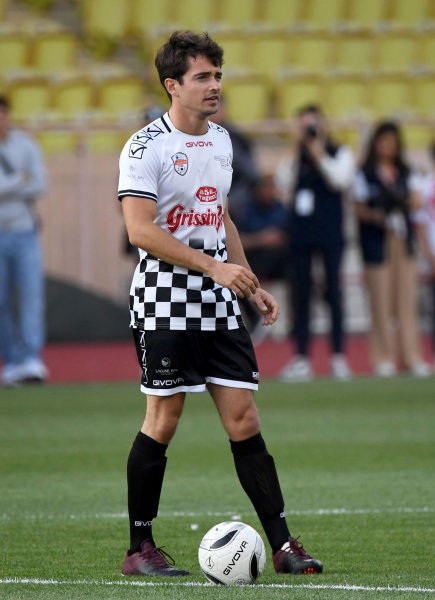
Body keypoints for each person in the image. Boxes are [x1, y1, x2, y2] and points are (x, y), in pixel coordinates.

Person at [118, 31, 323, 577]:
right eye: (203, 77)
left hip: (218, 302)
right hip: (164, 301)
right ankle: (139, 549)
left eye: (217, 76)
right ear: (172, 86)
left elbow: (222, 219)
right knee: (163, 418)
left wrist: (250, 283)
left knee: (244, 416)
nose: (214, 86)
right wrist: (212, 266)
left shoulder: (223, 141)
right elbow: (139, 231)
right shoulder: (144, 148)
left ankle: (281, 545)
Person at [277, 105, 355, 382]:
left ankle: (338, 356)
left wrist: (318, 150)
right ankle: (301, 357)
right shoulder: (295, 156)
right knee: (301, 295)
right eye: (304, 126)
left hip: (330, 232)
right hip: (301, 233)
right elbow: (282, 181)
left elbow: (339, 180)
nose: (309, 131)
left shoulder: (340, 152)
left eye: (313, 125)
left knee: (334, 292)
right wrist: (295, 148)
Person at [353, 121, 430, 377]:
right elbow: (359, 208)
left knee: (407, 300)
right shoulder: (365, 173)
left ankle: (412, 356)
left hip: (403, 239)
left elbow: (417, 200)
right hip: (378, 240)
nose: (388, 147)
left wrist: (402, 202)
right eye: (383, 141)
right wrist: (380, 213)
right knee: (381, 301)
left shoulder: (407, 172)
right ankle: (383, 357)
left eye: (392, 142)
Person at [0, 95, 48, 386]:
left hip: (24, 231)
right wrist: (20, 181)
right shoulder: (22, 160)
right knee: (1, 301)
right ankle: (12, 361)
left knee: (31, 297)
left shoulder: (25, 144)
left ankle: (31, 359)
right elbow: (28, 183)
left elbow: (41, 184)